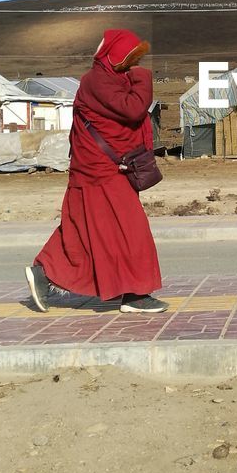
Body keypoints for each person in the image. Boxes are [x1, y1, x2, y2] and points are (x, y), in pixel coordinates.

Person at [25, 29, 166, 314]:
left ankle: (44, 274)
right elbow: (133, 109)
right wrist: (141, 77)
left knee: (82, 231)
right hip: (103, 172)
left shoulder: (107, 79)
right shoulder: (99, 81)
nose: (131, 64)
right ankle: (135, 294)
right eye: (128, 58)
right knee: (131, 230)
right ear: (113, 55)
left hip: (96, 170)